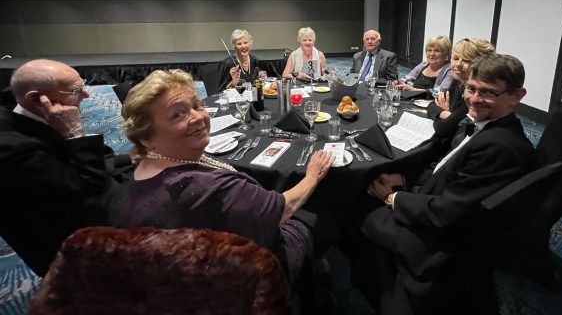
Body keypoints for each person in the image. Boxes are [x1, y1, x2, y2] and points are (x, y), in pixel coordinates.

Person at [351, 53, 538, 314]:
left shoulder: (500, 149)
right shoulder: (484, 126)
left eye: (488, 92)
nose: (474, 99)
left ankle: (378, 284)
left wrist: (390, 197)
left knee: (354, 202)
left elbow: (444, 214)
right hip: (439, 203)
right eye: (470, 88)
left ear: (516, 96)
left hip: (438, 241)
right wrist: (401, 179)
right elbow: (445, 169)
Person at [117, 69, 335, 281]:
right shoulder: (209, 187)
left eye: (196, 105)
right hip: (253, 271)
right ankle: (311, 271)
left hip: (191, 269)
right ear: (146, 137)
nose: (196, 117)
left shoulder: (143, 167)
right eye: (177, 114)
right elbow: (283, 209)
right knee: (320, 207)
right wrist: (312, 176)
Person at [0, 59, 133, 276]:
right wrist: (74, 132)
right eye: (74, 90)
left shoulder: (32, 111)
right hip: (74, 241)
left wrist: (128, 161)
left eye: (83, 85)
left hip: (87, 186)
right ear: (36, 99)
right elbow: (90, 192)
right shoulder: (12, 151)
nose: (86, 95)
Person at [426, 37, 495, 142]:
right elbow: (432, 105)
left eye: (467, 60)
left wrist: (447, 115)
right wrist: (445, 113)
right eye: (456, 58)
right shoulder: (458, 81)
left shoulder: (476, 95)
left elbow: (442, 129)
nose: (458, 64)